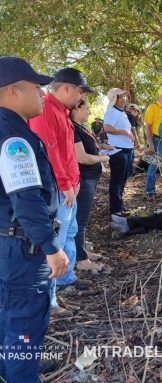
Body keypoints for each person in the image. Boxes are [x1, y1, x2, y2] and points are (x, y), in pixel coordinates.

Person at [0, 56, 69, 382]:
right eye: (36, 87)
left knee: (9, 316)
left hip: (7, 241)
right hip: (23, 247)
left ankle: (13, 366)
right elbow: (26, 196)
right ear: (13, 91)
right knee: (26, 320)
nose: (42, 94)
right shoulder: (14, 136)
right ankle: (22, 372)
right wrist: (50, 246)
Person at [30, 67, 93, 313]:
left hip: (68, 186)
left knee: (69, 233)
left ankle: (66, 280)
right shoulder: (46, 111)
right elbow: (51, 154)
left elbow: (65, 153)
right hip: (58, 188)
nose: (81, 98)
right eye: (79, 91)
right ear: (66, 88)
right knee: (55, 242)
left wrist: (73, 182)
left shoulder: (61, 112)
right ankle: (50, 301)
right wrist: (66, 184)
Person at [71, 98, 111, 272]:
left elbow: (90, 148)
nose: (88, 111)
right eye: (86, 108)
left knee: (84, 218)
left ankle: (82, 250)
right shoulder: (72, 128)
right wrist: (104, 158)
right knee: (80, 218)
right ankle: (80, 259)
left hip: (91, 178)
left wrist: (102, 148)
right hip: (84, 177)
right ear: (76, 109)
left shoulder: (81, 127)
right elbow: (82, 157)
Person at [103, 88, 135, 216]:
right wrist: (125, 132)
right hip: (118, 150)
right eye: (121, 97)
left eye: (124, 97)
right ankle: (115, 210)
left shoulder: (122, 113)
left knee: (123, 179)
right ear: (114, 99)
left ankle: (120, 204)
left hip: (128, 149)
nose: (124, 99)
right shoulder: (112, 111)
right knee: (117, 180)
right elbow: (107, 127)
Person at [126, 103, 141, 177]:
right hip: (127, 141)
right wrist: (137, 142)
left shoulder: (123, 114)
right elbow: (133, 129)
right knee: (131, 157)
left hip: (121, 141)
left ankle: (129, 172)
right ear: (135, 110)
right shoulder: (130, 116)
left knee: (130, 156)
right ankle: (130, 173)